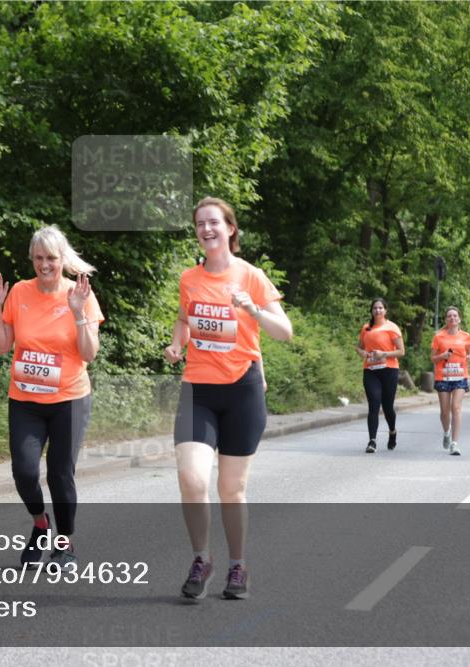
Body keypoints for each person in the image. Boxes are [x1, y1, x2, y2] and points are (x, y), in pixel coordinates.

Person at [164, 197, 292, 601]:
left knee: (230, 489)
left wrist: (253, 309)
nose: (207, 229)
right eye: (200, 223)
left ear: (231, 229)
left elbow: (284, 332)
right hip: (198, 388)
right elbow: (185, 319)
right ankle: (202, 558)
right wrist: (175, 344)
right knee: (191, 478)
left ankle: (238, 566)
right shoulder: (189, 279)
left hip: (242, 390)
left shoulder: (251, 276)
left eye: (214, 222)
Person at [0, 226, 103, 570]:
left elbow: (89, 353)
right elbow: (3, 346)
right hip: (25, 399)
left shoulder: (79, 293)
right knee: (23, 471)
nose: (45, 265)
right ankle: (40, 524)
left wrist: (78, 312)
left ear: (62, 259)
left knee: (59, 475)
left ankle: (65, 545)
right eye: (38, 258)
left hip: (69, 399)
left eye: (51, 258)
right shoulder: (20, 292)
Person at [354, 298, 405, 453]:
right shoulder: (366, 328)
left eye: (380, 308)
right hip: (371, 371)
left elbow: (401, 352)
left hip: (389, 370)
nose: (377, 311)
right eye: (375, 308)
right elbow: (360, 348)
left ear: (385, 310)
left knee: (388, 406)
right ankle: (372, 441)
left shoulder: (392, 327)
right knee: (374, 404)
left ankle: (392, 432)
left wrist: (384, 354)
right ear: (371, 311)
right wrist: (362, 353)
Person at [430, 306, 470, 456]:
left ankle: (454, 444)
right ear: (446, 320)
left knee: (456, 407)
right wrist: (442, 356)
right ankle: (446, 432)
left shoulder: (466, 336)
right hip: (443, 376)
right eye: (449, 316)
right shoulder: (438, 336)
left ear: (459, 319)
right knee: (444, 411)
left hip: (460, 376)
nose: (452, 318)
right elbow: (433, 358)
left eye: (455, 316)